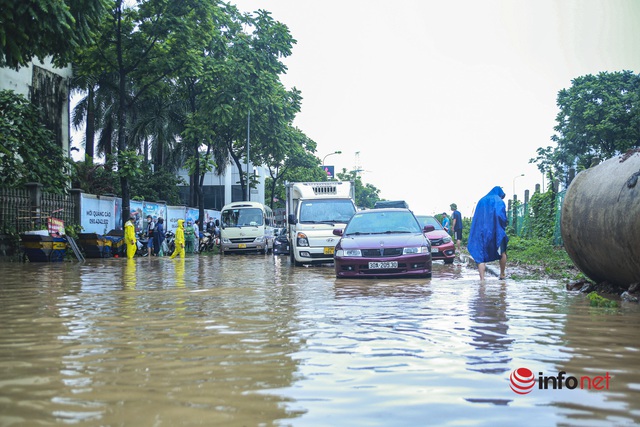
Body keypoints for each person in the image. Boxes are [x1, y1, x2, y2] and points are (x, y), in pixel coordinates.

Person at [467, 186, 509, 281]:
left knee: (480, 255)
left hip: (481, 232)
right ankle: (502, 274)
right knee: (502, 252)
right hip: (497, 231)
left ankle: (482, 280)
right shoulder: (499, 201)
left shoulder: (481, 201)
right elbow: (500, 216)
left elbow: (476, 218)